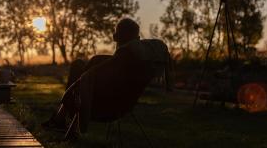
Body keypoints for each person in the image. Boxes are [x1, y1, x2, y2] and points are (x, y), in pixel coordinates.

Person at [42, 18, 171, 140]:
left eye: (115, 35)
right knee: (82, 66)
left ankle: (60, 120)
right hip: (123, 106)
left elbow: (85, 84)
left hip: (101, 107)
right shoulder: (142, 62)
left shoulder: (109, 61)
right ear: (137, 39)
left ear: (116, 37)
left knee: (78, 66)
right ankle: (60, 121)